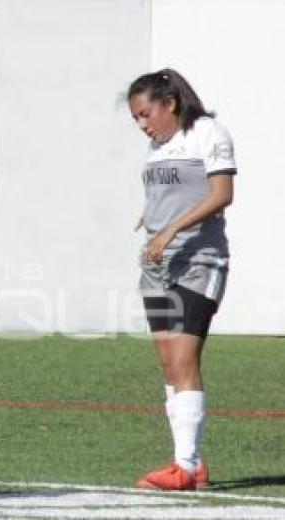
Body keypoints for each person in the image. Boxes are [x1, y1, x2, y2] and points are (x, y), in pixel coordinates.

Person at [128, 68, 236, 491]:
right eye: (136, 118)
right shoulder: (157, 147)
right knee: (168, 366)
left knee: (185, 361)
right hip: (156, 266)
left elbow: (221, 194)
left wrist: (172, 229)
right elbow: (169, 193)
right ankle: (190, 463)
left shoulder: (208, 132)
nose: (142, 125)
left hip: (198, 260)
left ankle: (185, 468)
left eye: (145, 113)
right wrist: (151, 217)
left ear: (170, 103)